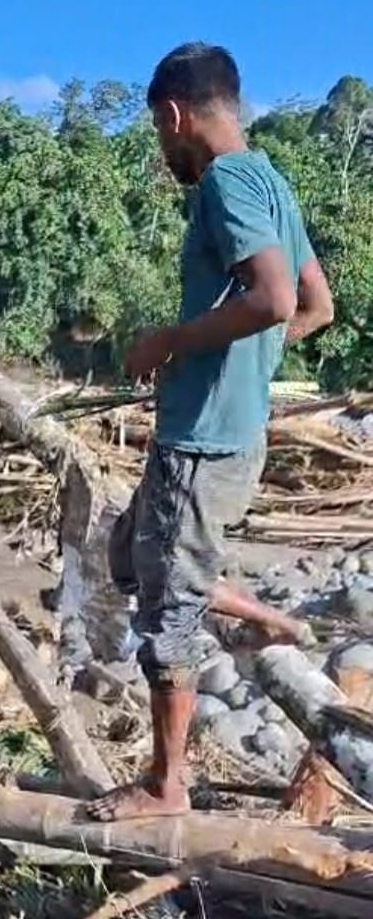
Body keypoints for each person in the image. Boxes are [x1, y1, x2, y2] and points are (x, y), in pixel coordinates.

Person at [88, 43, 334, 822]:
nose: (165, 154)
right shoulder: (272, 181)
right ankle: (263, 619)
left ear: (173, 116)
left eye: (161, 137)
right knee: (130, 555)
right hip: (206, 430)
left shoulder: (227, 182)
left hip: (204, 445)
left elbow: (270, 300)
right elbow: (312, 306)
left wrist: (172, 343)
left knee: (169, 614)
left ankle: (166, 786)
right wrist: (237, 362)